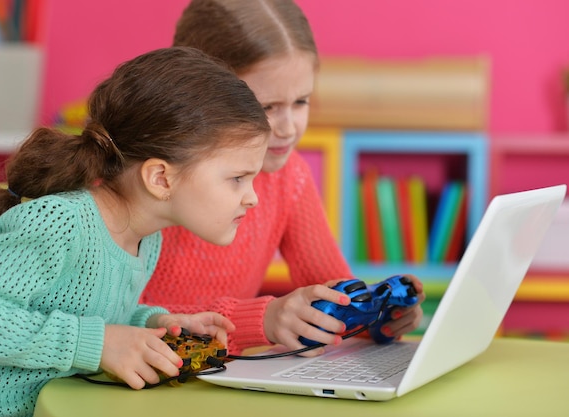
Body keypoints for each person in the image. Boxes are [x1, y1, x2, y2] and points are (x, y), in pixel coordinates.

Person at [0, 46, 271, 417]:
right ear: (160, 177)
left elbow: (87, 311)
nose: (252, 198)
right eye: (238, 178)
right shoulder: (58, 223)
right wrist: (98, 344)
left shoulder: (147, 238)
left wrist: (152, 324)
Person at [140, 0, 426, 356]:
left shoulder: (289, 177)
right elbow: (121, 320)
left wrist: (376, 315)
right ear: (199, 93)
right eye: (266, 107)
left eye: (301, 101)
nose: (289, 128)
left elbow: (333, 297)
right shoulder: (155, 178)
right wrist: (261, 319)